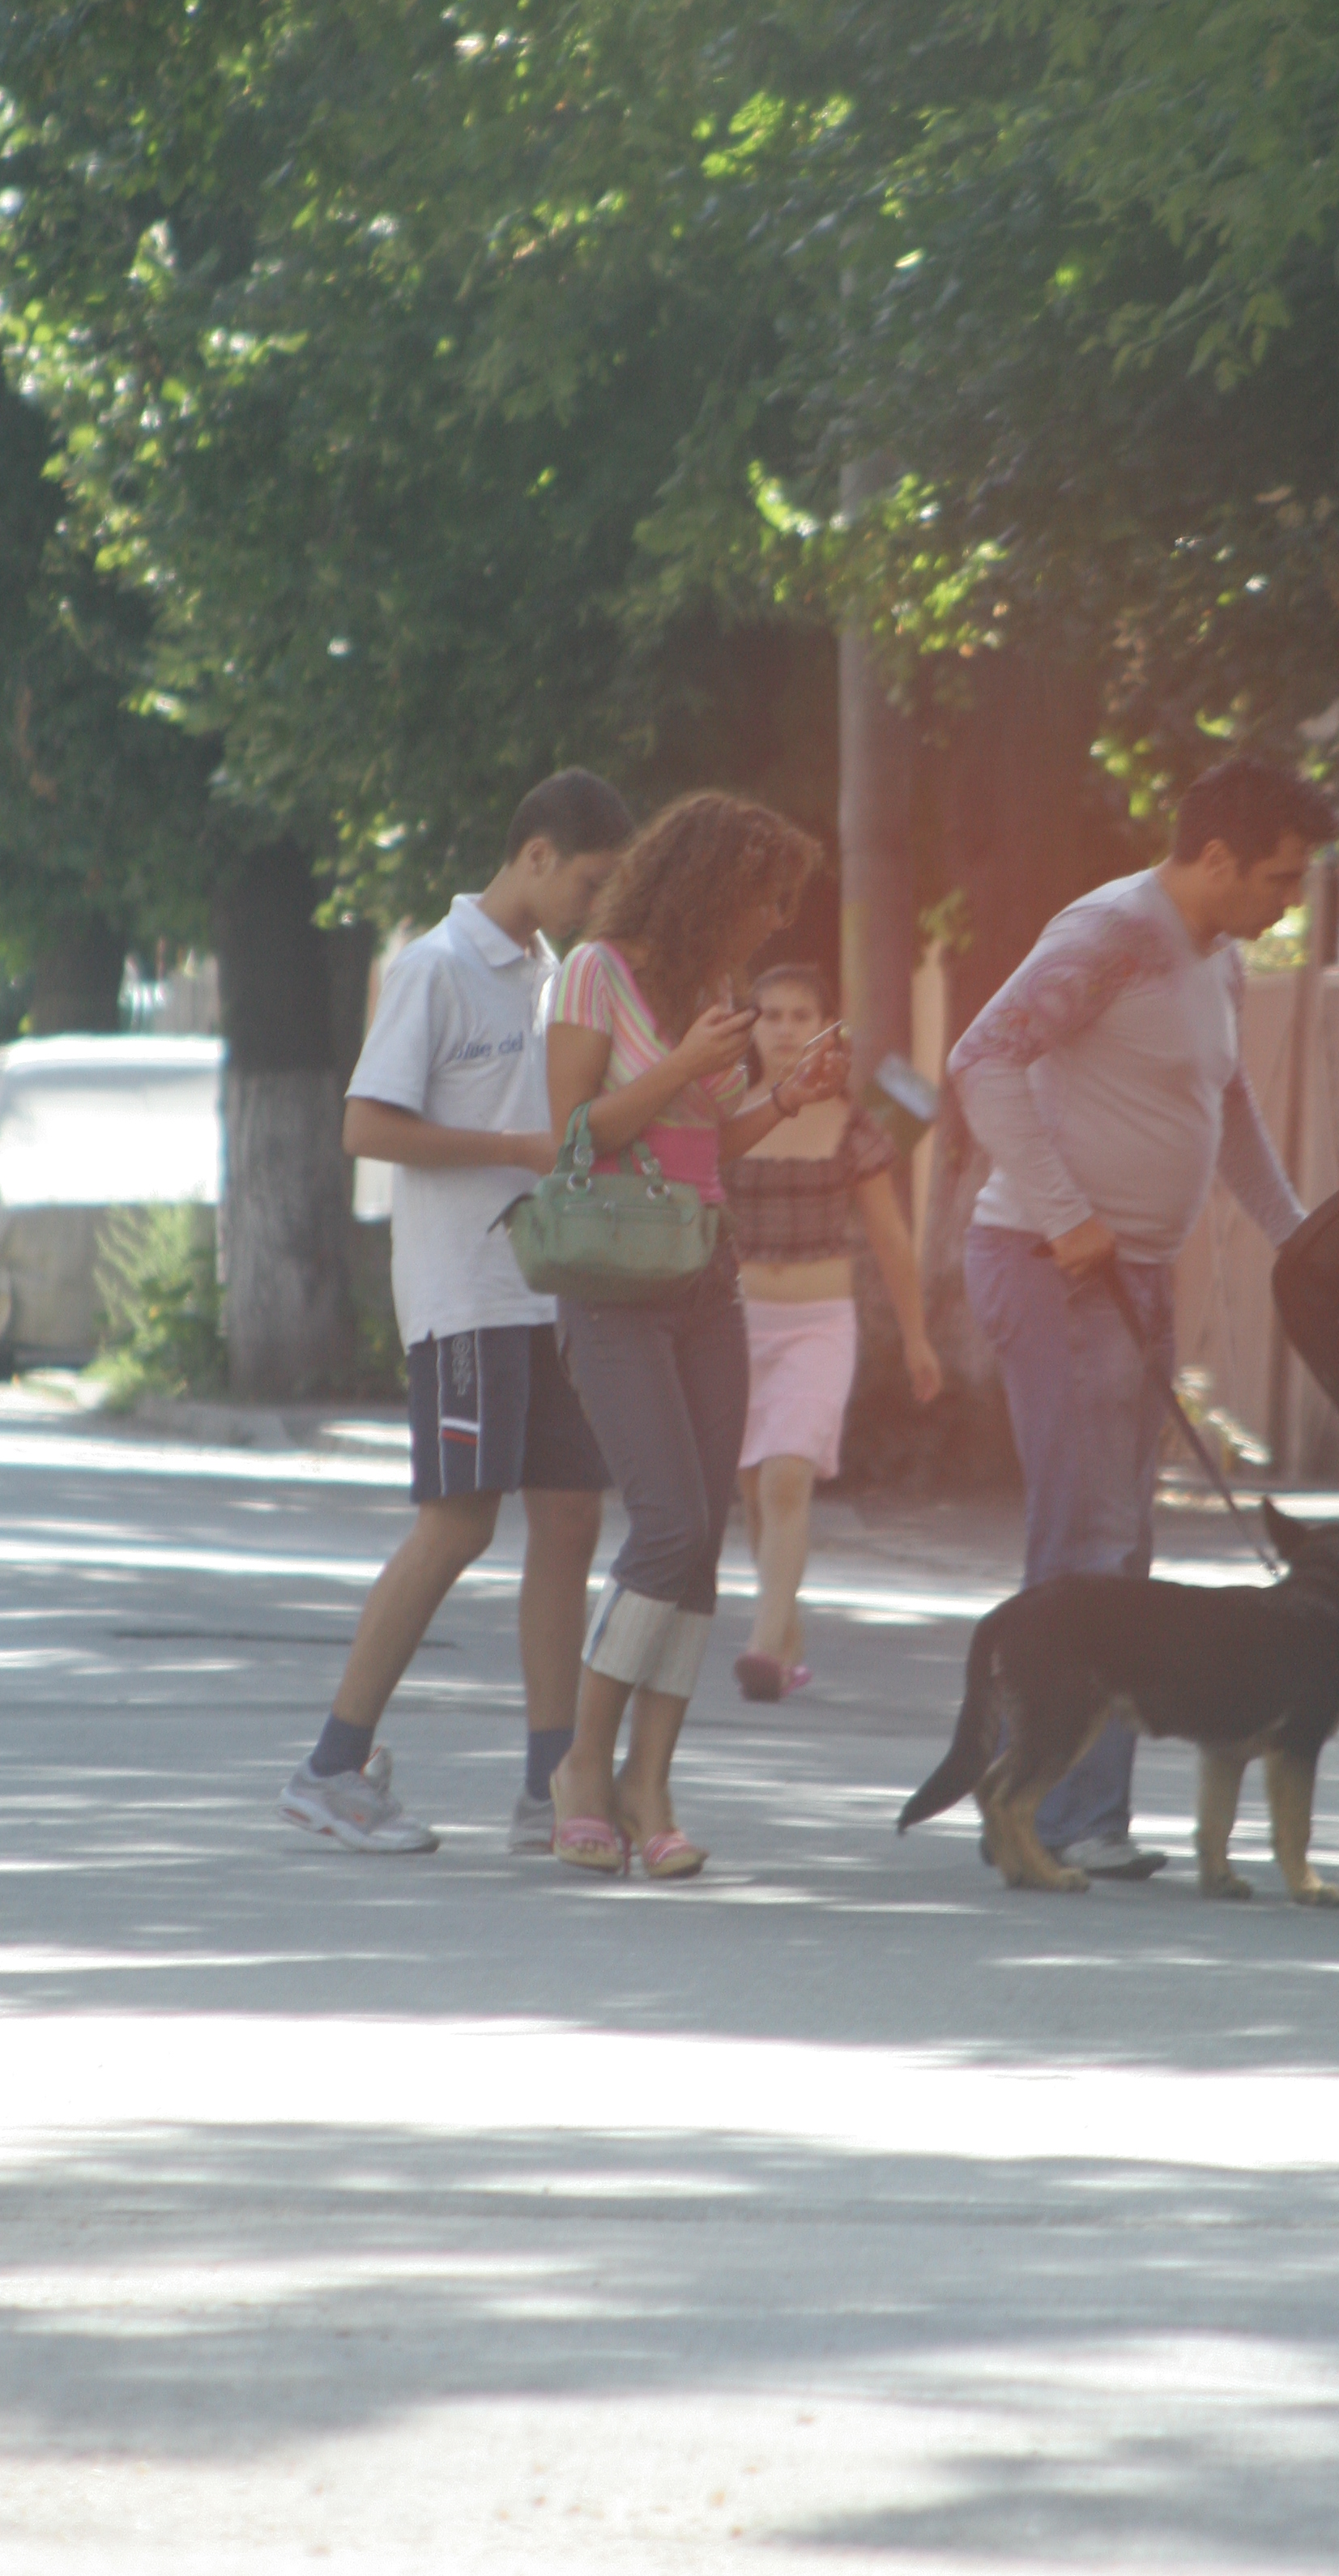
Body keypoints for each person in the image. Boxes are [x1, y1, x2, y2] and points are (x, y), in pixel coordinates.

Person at [949, 751, 1337, 1879]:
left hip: (1133, 1274)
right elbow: (980, 1059)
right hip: (1053, 1263)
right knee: (1088, 1536)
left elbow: (1231, 1108)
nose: (1291, 902)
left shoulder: (1220, 959)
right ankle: (1058, 1818)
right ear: (1215, 857)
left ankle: (1068, 1813)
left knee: (1123, 1538)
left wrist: (1299, 1235)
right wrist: (1065, 1211)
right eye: (1279, 877)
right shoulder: (1110, 934)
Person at [276, 766, 635, 1856]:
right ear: (535, 854)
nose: (594, 902)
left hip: (554, 1290)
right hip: (465, 1293)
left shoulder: (557, 975)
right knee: (460, 1523)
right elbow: (366, 1128)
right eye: (589, 880)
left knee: (570, 1516)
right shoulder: (434, 968)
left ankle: (549, 1788)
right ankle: (331, 1768)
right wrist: (514, 1148)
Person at [542, 794, 849, 1879]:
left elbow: (707, 1139)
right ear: (711, 887)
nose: (775, 921)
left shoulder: (714, 990)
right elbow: (572, 1136)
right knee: (668, 1524)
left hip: (704, 1276)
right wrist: (678, 1064)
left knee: (700, 1538)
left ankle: (651, 1783)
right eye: (766, 898)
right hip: (613, 1281)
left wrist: (785, 1096)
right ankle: (584, 1767)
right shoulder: (593, 973)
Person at [726, 965, 943, 1700]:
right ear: (750, 1025)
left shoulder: (853, 1124)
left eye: (801, 1015)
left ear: (826, 1028)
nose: (785, 1029)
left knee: (787, 1476)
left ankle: (762, 1648)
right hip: (738, 1325)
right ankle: (785, 1643)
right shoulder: (725, 1113)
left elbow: (890, 1237)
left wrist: (916, 1337)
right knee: (755, 1490)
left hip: (818, 1325)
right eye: (771, 1014)